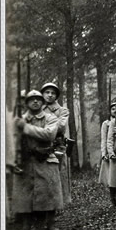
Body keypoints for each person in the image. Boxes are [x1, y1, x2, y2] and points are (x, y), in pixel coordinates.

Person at [12, 90, 63, 230]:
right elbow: (12, 140)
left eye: (38, 99)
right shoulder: (20, 119)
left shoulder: (50, 117)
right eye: (31, 100)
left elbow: (49, 134)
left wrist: (26, 128)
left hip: (44, 160)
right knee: (24, 198)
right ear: (26, 103)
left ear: (42, 102)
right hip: (25, 162)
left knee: (43, 197)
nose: (35, 102)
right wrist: (14, 160)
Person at [40, 83, 71, 211]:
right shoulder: (38, 109)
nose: (50, 95)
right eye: (47, 92)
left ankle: (59, 204)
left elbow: (61, 127)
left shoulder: (62, 110)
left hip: (57, 145)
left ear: (56, 96)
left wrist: (43, 127)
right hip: (40, 145)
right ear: (42, 94)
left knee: (58, 174)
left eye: (53, 93)